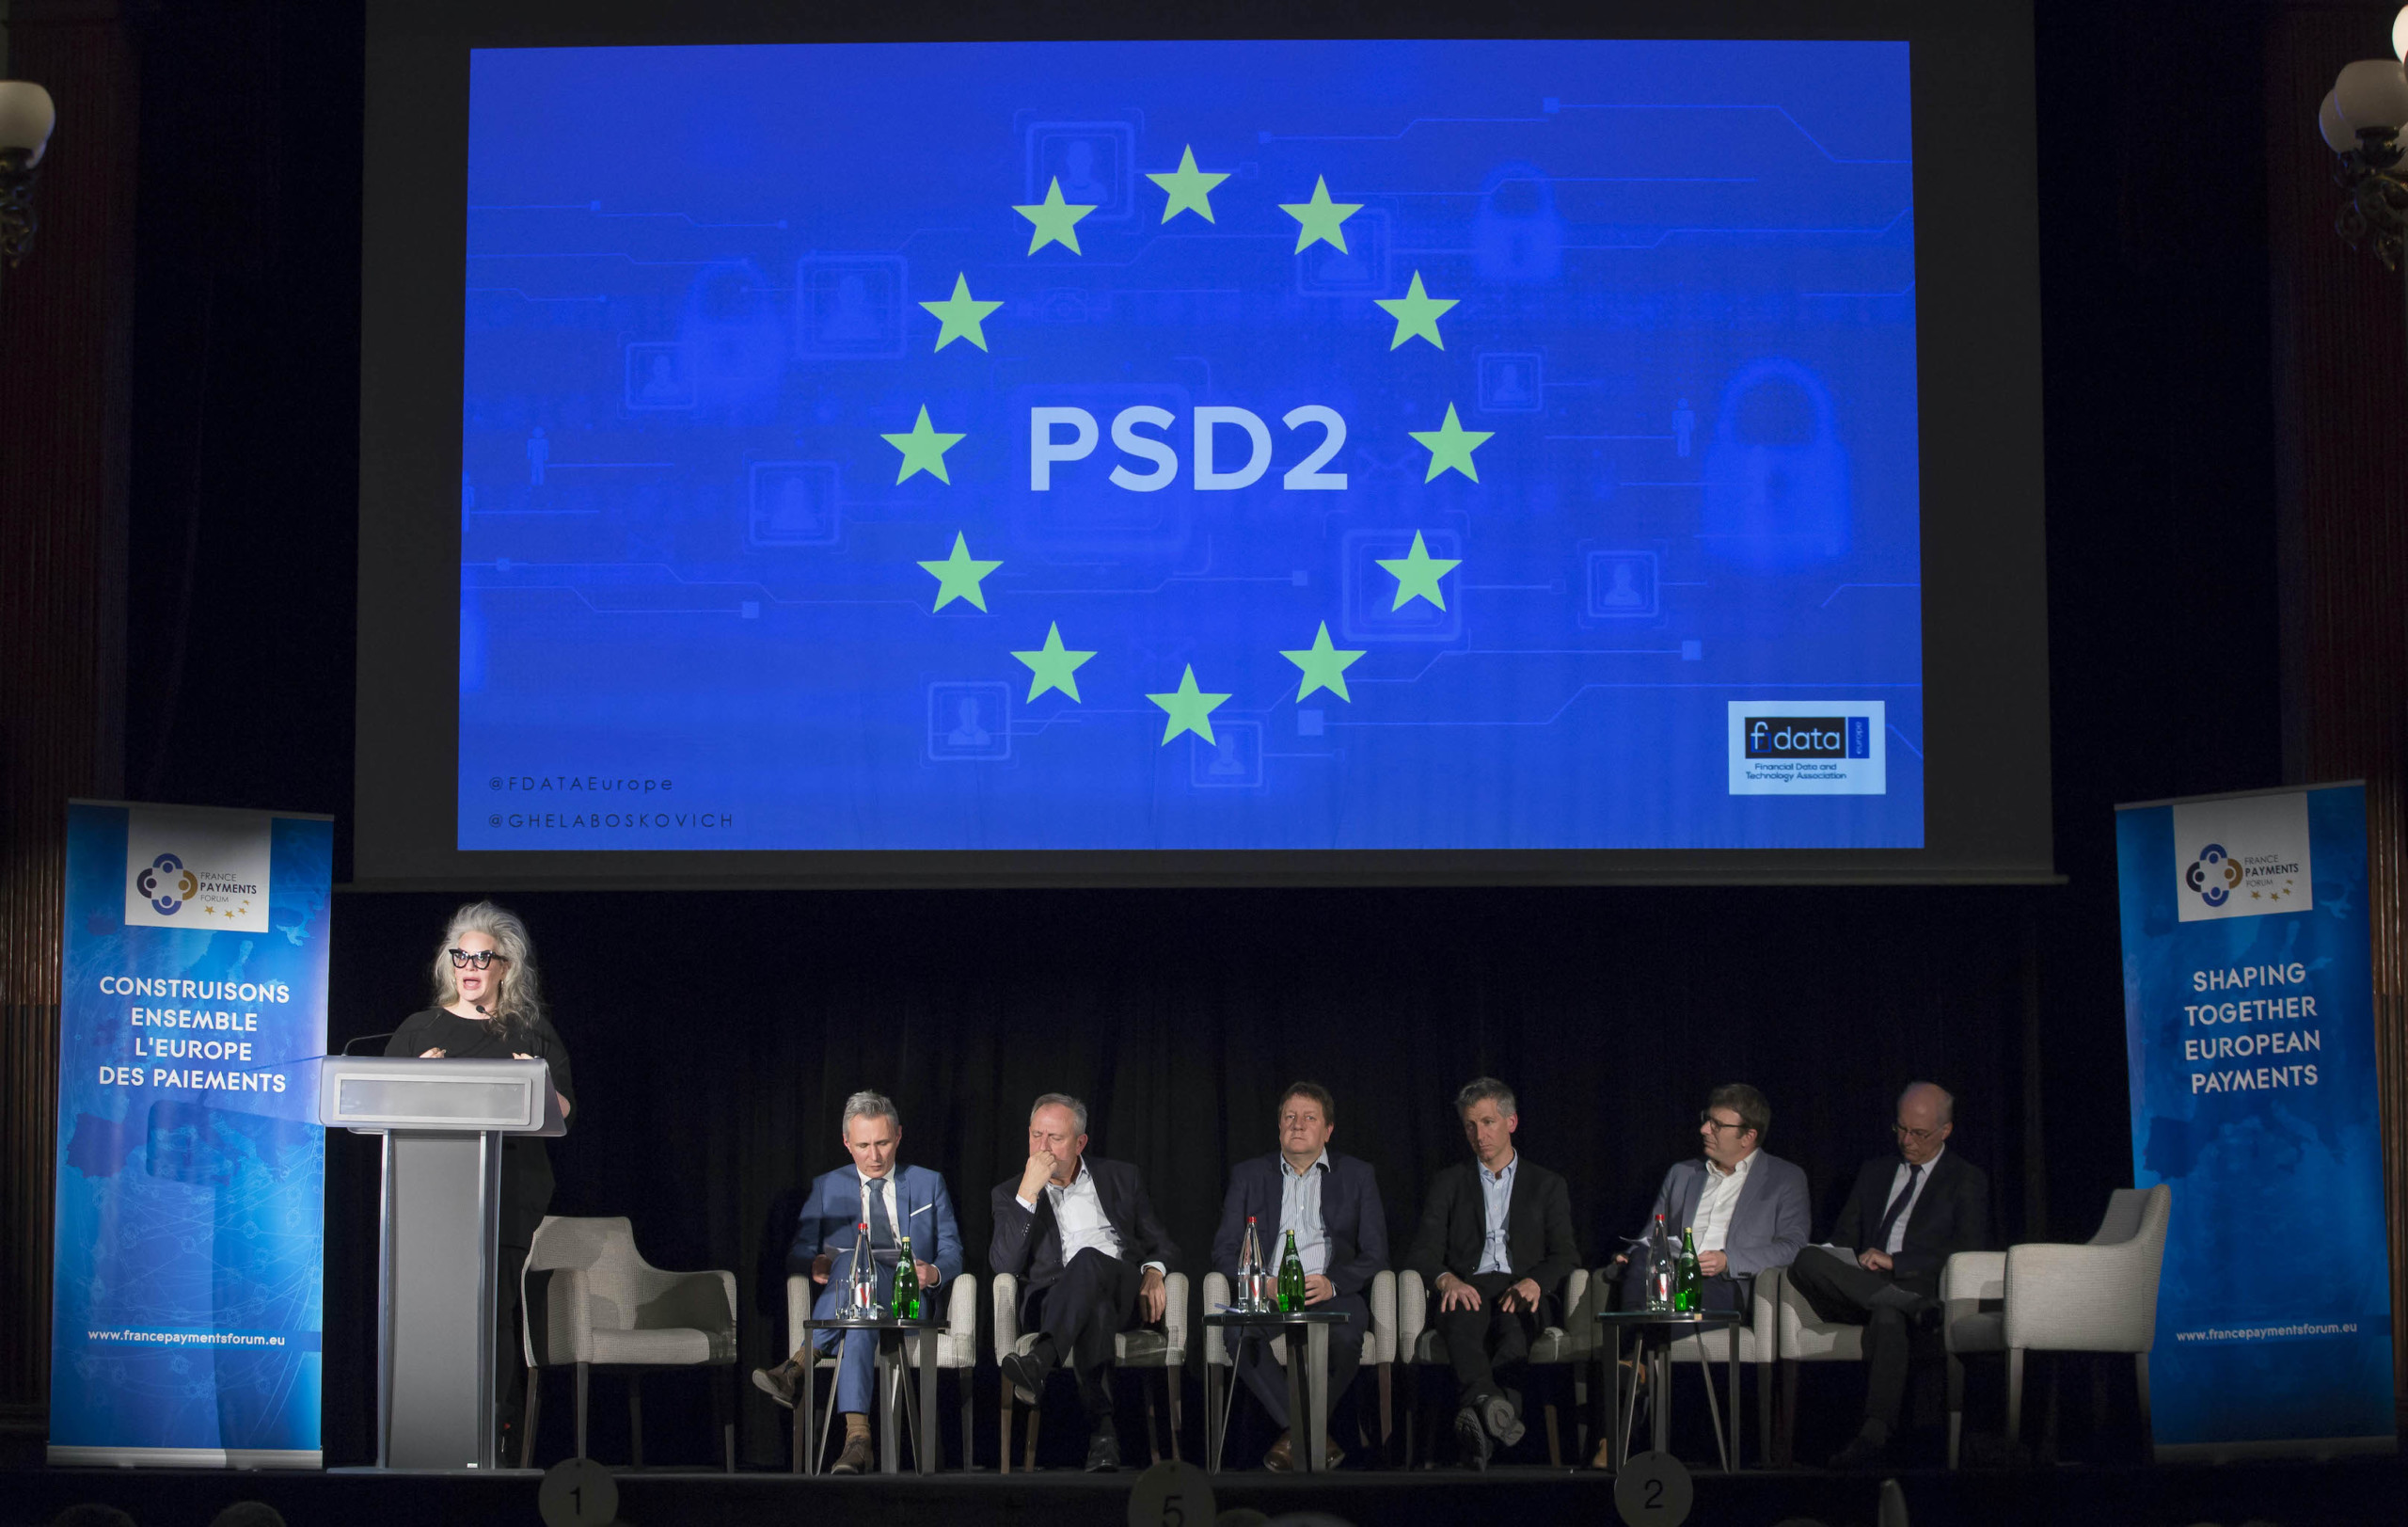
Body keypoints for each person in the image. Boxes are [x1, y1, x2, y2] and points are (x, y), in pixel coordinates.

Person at [386, 901, 575, 1463]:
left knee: (492, 1315)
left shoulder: (531, 1032)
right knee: (432, 1316)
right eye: (461, 956)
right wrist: (416, 1079)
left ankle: (496, 1437)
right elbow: (382, 1100)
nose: (469, 967)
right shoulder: (419, 1030)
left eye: (482, 958)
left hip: (508, 1196)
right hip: (430, 1198)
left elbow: (564, 1111)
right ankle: (427, 1434)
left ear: (504, 966)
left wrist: (531, 1080)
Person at [750, 1090, 963, 1473]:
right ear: (847, 1143)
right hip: (855, 1301)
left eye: (883, 1143)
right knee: (858, 1314)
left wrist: (933, 1272)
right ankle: (858, 1442)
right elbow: (798, 1252)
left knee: (855, 1269)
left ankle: (797, 1366)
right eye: (864, 1145)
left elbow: (953, 1251)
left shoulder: (928, 1183)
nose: (875, 1156)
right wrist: (814, 1261)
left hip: (906, 1299)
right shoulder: (828, 1186)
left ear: (898, 1135)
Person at [1598, 1083, 1809, 1466]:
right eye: (1706, 1120)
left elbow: (1793, 1247)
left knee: (1662, 1296)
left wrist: (1729, 1260)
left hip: (1726, 1285)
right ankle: (1636, 1367)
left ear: (1748, 1136)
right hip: (1667, 1277)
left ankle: (1629, 1377)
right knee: (1645, 1254)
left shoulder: (1784, 1177)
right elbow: (1651, 1232)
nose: (1703, 1130)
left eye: (1716, 1124)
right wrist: (1628, 1255)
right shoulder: (1683, 1173)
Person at [1785, 1082, 1991, 1469]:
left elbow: (1968, 1253)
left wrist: (1897, 1263)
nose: (1906, 1141)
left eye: (1919, 1133)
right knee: (1808, 1258)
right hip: (1861, 1286)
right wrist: (1847, 1258)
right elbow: (1843, 1239)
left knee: (1887, 1315)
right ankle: (1906, 1305)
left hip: (1916, 1284)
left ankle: (1875, 1432)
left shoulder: (1966, 1179)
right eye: (1901, 1129)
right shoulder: (1875, 1172)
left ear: (1945, 1131)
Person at [990, 1092, 1181, 1471]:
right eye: (1036, 1136)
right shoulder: (1010, 1193)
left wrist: (1154, 1271)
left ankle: (1041, 1359)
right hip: (1054, 1300)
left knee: (1089, 1260)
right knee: (1094, 1308)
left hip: (1122, 1291)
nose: (1042, 1148)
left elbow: (1162, 1243)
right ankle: (1104, 1436)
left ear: (1080, 1143)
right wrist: (1028, 1194)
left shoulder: (1121, 1177)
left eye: (1055, 1138)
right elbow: (1004, 1265)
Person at [1209, 1082, 1388, 1471]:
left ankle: (1296, 1435)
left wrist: (1333, 1283)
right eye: (1289, 1117)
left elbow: (1376, 1254)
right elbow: (1224, 1249)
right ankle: (1309, 1432)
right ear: (1279, 1128)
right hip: (1270, 1292)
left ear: (1328, 1130)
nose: (1297, 1125)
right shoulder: (1249, 1175)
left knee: (1347, 1337)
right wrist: (1265, 1283)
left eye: (1309, 1118)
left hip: (1330, 1291)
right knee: (1238, 1335)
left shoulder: (1357, 1175)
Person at [1404, 1077, 1579, 1468]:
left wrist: (1536, 1282)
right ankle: (1492, 1409)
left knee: (1514, 1331)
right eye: (1470, 1125)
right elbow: (1422, 1251)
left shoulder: (1547, 1184)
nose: (1478, 1135)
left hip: (1522, 1288)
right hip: (1469, 1286)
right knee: (1461, 1316)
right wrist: (1447, 1280)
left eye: (1487, 1122)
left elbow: (1566, 1254)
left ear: (1511, 1122)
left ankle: (1482, 1425)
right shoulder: (1449, 1182)